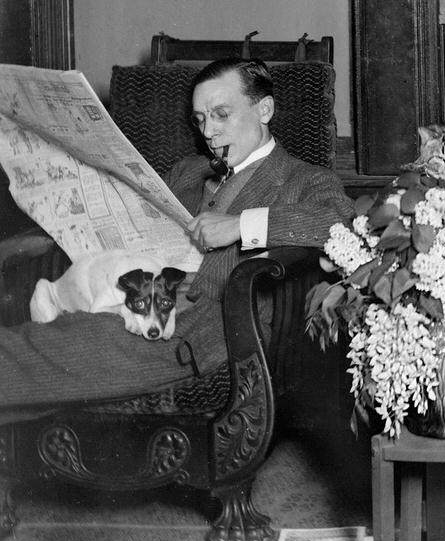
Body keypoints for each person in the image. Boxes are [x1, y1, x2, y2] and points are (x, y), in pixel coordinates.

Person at [0, 57, 355, 420]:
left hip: (201, 329)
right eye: (200, 119)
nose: (209, 131)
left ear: (264, 109)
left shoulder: (304, 178)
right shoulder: (188, 170)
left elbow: (340, 221)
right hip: (125, 297)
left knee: (41, 350)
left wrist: (239, 225)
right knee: (39, 352)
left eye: (221, 114)